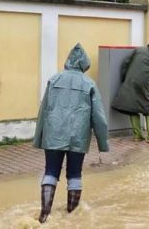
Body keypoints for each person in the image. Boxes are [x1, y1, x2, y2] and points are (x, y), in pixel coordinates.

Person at [33, 43, 109, 224]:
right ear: (84, 64)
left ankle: (44, 213)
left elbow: (43, 111)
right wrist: (102, 143)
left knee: (50, 171)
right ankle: (72, 217)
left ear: (68, 61)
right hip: (78, 136)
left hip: (53, 134)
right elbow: (99, 117)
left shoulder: (54, 80)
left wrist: (39, 138)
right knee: (74, 174)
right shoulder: (89, 83)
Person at [111, 43, 149, 143]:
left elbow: (125, 63)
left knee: (132, 107)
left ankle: (137, 136)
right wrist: (148, 88)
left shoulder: (139, 50)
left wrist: (125, 78)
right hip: (144, 84)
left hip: (130, 80)